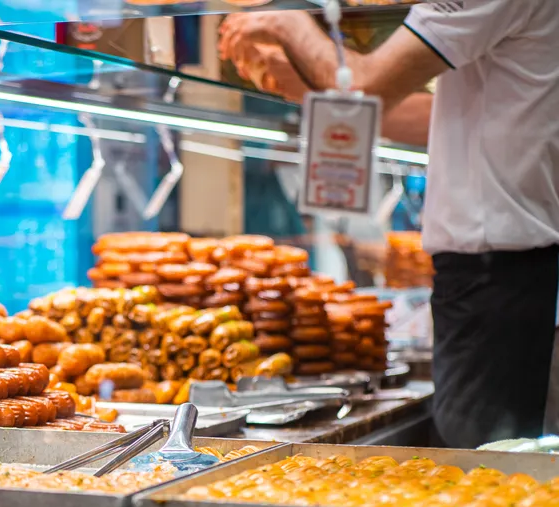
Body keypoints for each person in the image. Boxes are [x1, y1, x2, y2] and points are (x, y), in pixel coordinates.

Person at [220, 0, 559, 449]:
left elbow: (364, 87)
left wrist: (283, 18)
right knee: (496, 462)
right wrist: (310, 82)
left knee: (479, 469)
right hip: (504, 273)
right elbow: (425, 115)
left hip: (493, 275)